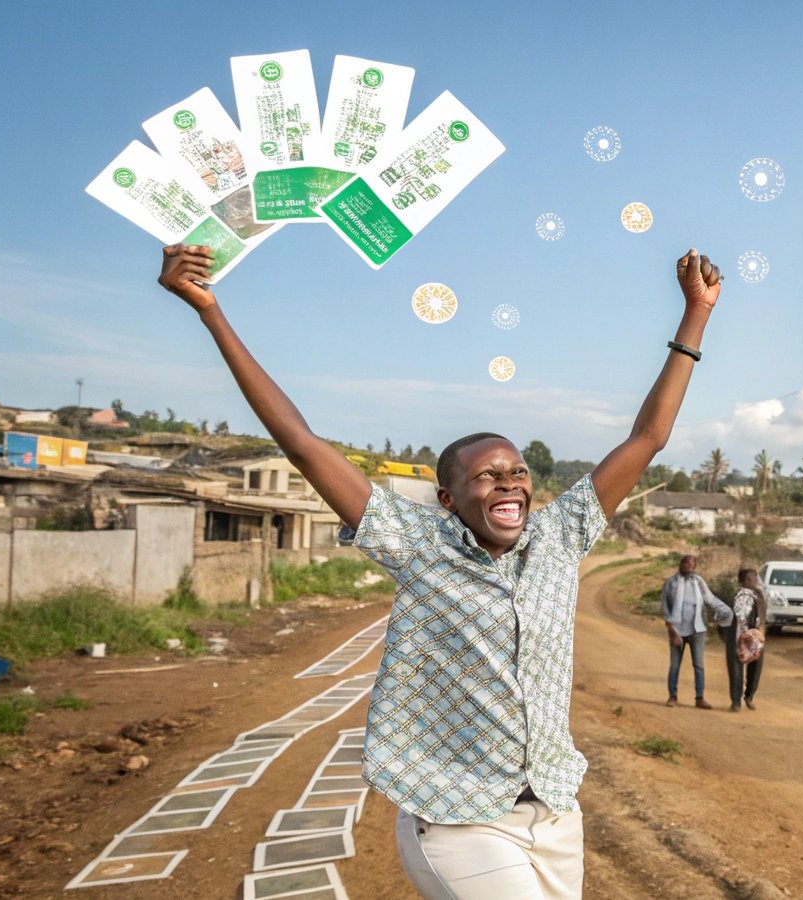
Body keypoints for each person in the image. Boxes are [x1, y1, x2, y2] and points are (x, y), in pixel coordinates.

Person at [157, 242, 723, 900]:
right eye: (487, 475)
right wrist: (211, 313)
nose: (509, 483)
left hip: (555, 815)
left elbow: (647, 438)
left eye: (516, 471)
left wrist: (696, 314)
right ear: (450, 500)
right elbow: (302, 443)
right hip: (460, 822)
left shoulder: (559, 537)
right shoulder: (418, 544)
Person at [661, 554, 730, 709]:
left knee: (698, 665)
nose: (688, 566)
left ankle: (700, 698)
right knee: (674, 665)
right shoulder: (671, 583)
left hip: (697, 631)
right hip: (677, 630)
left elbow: (710, 599)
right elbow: (665, 609)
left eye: (691, 564)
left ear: (694, 567)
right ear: (680, 564)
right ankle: (672, 696)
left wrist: (726, 611)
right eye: (685, 563)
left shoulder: (698, 582)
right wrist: (672, 631)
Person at [722, 567, 768, 711]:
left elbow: (763, 616)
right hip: (736, 636)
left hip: (755, 637)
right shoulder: (735, 596)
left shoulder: (759, 595)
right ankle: (736, 702)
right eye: (751, 578)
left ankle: (749, 696)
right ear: (744, 581)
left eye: (755, 578)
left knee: (755, 668)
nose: (754, 581)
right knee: (736, 670)